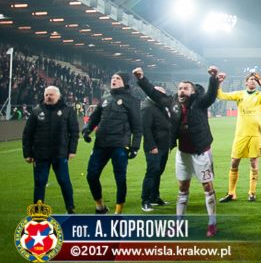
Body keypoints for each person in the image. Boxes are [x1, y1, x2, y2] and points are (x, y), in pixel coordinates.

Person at [134, 66, 221, 237]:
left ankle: (212, 223)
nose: (181, 91)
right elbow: (154, 93)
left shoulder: (200, 102)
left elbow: (211, 95)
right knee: (182, 188)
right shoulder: (173, 101)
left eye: (185, 88)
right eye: (180, 88)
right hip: (182, 152)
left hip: (200, 152)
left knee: (207, 187)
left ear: (192, 92)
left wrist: (213, 78)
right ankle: (178, 223)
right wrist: (141, 79)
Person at [217, 73, 261, 203]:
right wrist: (219, 82)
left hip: (255, 134)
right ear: (246, 82)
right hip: (240, 134)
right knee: (234, 162)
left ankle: (252, 192)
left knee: (253, 162)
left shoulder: (260, 95)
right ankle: (231, 193)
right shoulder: (239, 94)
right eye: (250, 80)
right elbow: (220, 95)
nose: (253, 81)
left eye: (254, 80)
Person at [83, 72, 143, 215]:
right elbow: (94, 118)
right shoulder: (105, 98)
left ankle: (118, 212)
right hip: (101, 144)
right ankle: (100, 207)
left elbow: (137, 127)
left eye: (118, 78)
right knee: (91, 175)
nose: (114, 80)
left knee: (120, 178)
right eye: (113, 78)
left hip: (120, 145)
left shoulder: (132, 100)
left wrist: (135, 147)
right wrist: (87, 130)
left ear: (125, 82)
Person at [22, 86, 79, 213]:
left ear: (58, 96)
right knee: (40, 183)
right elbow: (27, 134)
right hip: (40, 154)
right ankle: (38, 211)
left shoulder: (67, 110)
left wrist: (72, 150)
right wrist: (27, 153)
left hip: (60, 154)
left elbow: (74, 132)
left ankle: (70, 208)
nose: (48, 97)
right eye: (46, 95)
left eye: (51, 95)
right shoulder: (37, 111)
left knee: (64, 181)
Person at [140, 85, 173, 212]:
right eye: (161, 94)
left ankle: (154, 197)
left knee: (158, 172)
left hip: (163, 145)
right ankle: (145, 200)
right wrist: (152, 146)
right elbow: (146, 129)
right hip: (154, 147)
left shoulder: (159, 106)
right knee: (152, 172)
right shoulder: (147, 108)